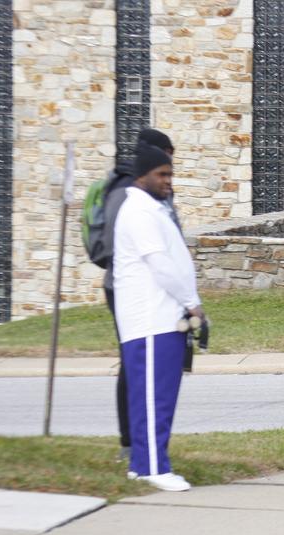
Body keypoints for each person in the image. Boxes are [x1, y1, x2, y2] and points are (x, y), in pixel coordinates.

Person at [112, 144, 202, 492]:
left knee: (153, 395)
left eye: (170, 174)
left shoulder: (151, 208)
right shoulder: (139, 211)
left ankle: (141, 464)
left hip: (161, 317)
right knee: (154, 397)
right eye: (161, 174)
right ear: (141, 176)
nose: (168, 180)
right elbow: (159, 264)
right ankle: (152, 467)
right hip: (151, 318)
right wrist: (192, 302)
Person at [102, 129, 179, 462]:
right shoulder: (128, 193)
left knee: (145, 363)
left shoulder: (151, 191)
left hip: (152, 289)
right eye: (166, 157)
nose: (170, 167)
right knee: (134, 363)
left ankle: (143, 442)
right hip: (131, 289)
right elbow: (119, 247)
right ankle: (131, 443)